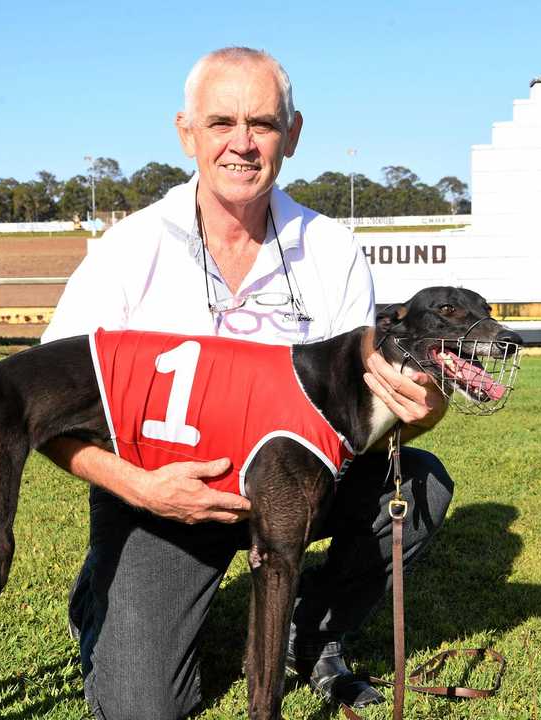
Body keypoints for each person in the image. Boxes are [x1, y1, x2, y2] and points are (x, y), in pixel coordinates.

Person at [40, 46, 453, 719]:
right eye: (221, 123)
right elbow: (42, 416)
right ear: (186, 132)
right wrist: (141, 488)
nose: (241, 144)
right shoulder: (130, 249)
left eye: (261, 124)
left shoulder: (330, 249)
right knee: (144, 708)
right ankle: (102, 602)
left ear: (291, 133)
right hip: (163, 495)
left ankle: (309, 633)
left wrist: (421, 411)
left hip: (296, 485)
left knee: (421, 483)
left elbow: (366, 415)